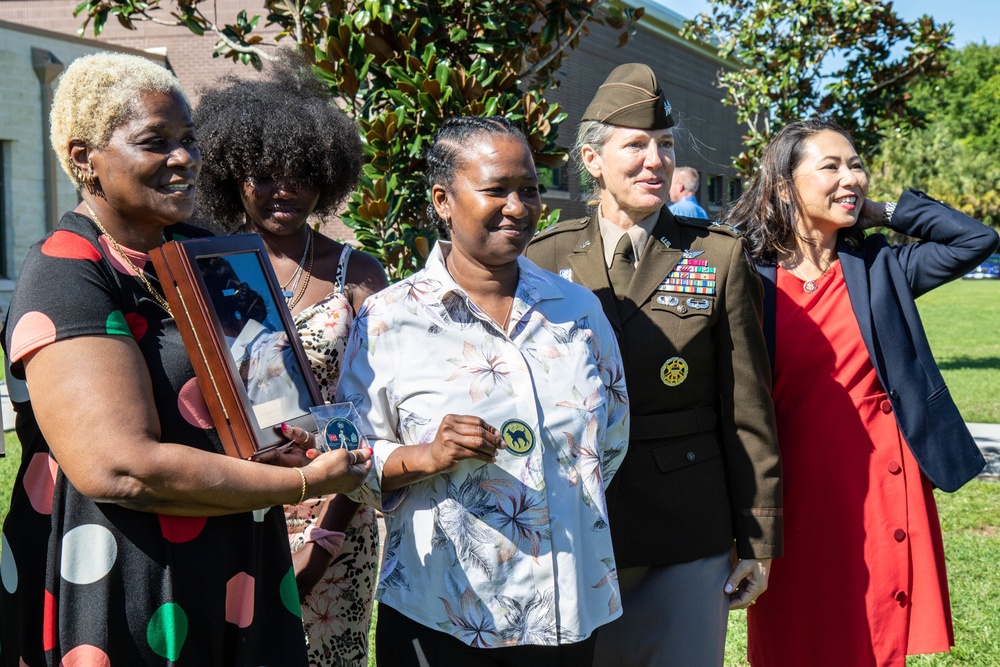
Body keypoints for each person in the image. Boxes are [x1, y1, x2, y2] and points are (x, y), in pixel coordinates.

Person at [0, 52, 370, 666]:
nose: (184, 158)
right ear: (83, 159)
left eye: (189, 139)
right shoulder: (68, 269)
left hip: (237, 556)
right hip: (124, 568)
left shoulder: (208, 254)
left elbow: (270, 396)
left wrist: (295, 436)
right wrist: (301, 483)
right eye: (155, 142)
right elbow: (121, 470)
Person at [336, 116, 630, 666]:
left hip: (567, 608)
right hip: (444, 612)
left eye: (530, 189)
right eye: (496, 190)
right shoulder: (389, 320)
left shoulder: (578, 311)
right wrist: (426, 456)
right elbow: (349, 457)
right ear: (443, 200)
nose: (518, 207)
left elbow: (609, 440)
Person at [525, 63, 782, 667]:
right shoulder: (544, 257)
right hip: (573, 526)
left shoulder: (715, 257)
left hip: (685, 526)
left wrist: (758, 537)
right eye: (635, 145)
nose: (655, 160)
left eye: (665, 146)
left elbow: (747, 407)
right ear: (592, 160)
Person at [726, 119, 999, 667]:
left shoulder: (883, 266)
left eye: (856, 165)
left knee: (876, 630)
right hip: (793, 482)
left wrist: (884, 213)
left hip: (880, 476)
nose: (851, 177)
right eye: (830, 167)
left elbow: (978, 239)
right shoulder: (748, 276)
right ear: (783, 186)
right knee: (793, 632)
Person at [194, 65, 389, 667]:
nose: (286, 188)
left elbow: (373, 416)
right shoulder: (203, 266)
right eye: (265, 172)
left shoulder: (358, 274)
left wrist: (326, 541)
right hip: (230, 506)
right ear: (232, 174)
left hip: (335, 508)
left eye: (304, 172)